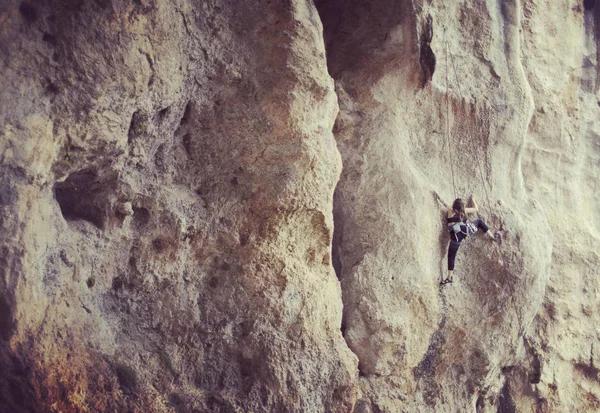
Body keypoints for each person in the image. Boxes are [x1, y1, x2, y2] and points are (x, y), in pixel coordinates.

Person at [440, 198, 499, 285]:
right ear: (461, 207)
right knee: (478, 221)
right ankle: (493, 237)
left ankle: (449, 277)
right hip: (465, 232)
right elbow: (476, 208)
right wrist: (473, 199)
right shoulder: (463, 211)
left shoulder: (450, 211)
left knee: (451, 257)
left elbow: (446, 205)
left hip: (455, 239)